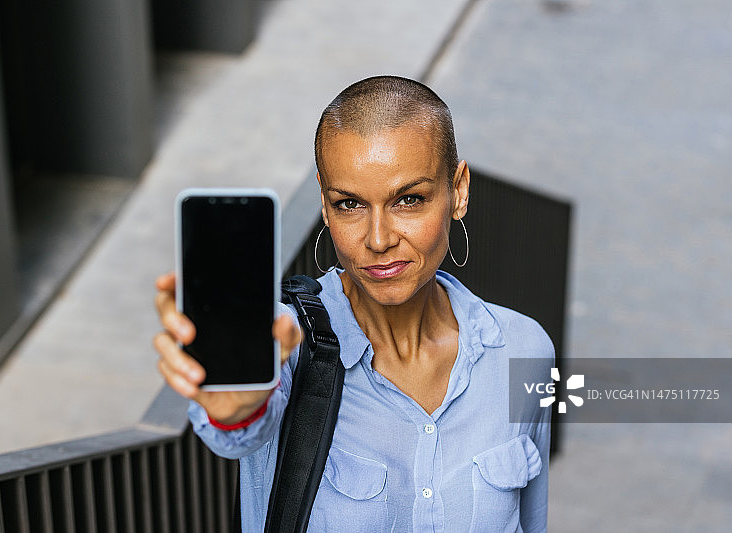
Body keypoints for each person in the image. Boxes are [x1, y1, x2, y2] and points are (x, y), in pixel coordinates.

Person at [155, 75, 553, 532]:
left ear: (458, 191)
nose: (378, 240)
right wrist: (234, 405)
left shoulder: (525, 349)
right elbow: (238, 429)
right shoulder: (284, 344)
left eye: (409, 200)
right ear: (325, 204)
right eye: (349, 204)